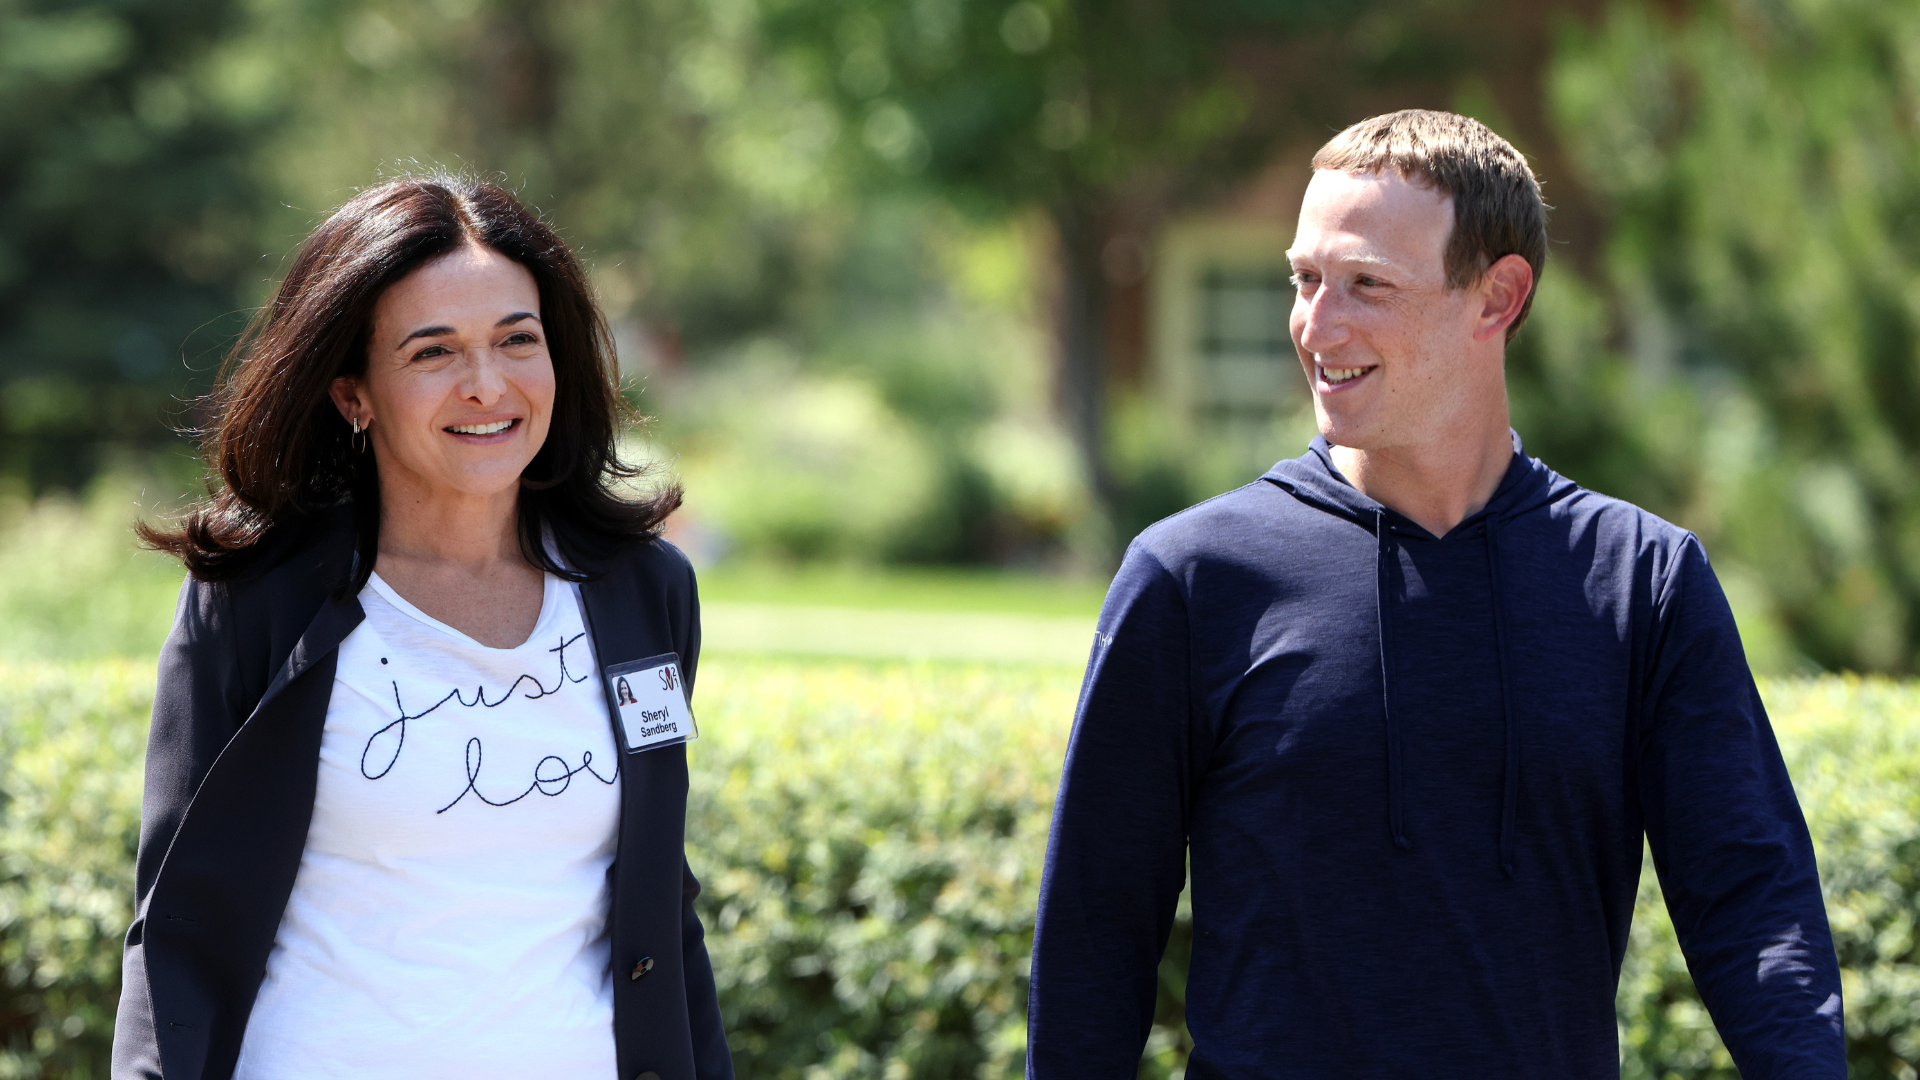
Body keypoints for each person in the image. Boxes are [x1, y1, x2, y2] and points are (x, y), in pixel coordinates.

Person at [1027, 110, 1844, 1078]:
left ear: (1496, 297)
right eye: (1305, 279)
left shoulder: (1642, 581)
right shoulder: (1195, 576)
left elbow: (1750, 894)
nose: (1317, 327)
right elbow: (1095, 930)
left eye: (1367, 285)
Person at [115, 176, 731, 1080]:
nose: (488, 386)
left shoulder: (644, 593)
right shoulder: (256, 601)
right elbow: (178, 923)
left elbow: (660, 909)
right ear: (353, 393)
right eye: (432, 352)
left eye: (518, 340)